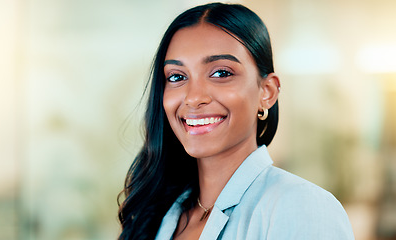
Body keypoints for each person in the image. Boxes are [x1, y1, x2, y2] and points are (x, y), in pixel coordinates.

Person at [118, 2, 354, 240]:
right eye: (177, 76)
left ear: (267, 92)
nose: (194, 98)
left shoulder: (302, 208)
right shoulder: (161, 213)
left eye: (221, 73)